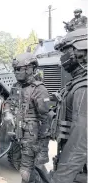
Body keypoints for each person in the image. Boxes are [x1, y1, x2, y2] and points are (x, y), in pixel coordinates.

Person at [3, 52, 51, 183]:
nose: (16, 72)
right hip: (17, 134)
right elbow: (7, 101)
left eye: (19, 69)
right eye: (15, 69)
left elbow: (46, 120)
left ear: (30, 69)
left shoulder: (38, 89)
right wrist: (7, 112)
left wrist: (43, 149)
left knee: (26, 171)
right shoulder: (16, 86)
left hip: (31, 137)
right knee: (16, 163)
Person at [50, 27, 87, 183]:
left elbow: (80, 142)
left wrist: (60, 178)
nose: (62, 57)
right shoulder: (75, 84)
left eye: (65, 51)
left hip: (78, 172)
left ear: (80, 51)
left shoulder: (84, 88)